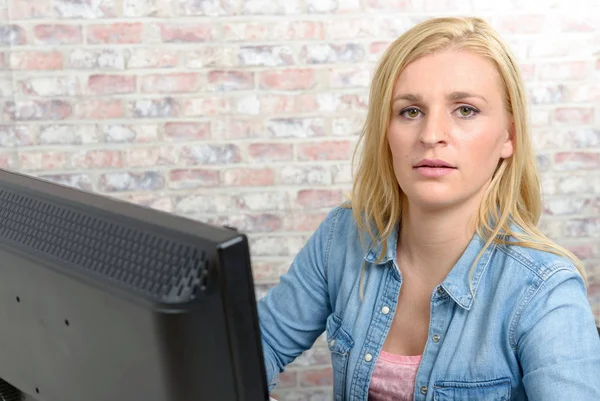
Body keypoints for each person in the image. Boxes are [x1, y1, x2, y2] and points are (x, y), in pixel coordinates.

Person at [256, 16, 600, 401]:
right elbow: (258, 346)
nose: (431, 135)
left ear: (509, 137)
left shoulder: (545, 291)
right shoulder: (344, 236)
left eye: (465, 110)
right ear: (385, 133)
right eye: (411, 111)